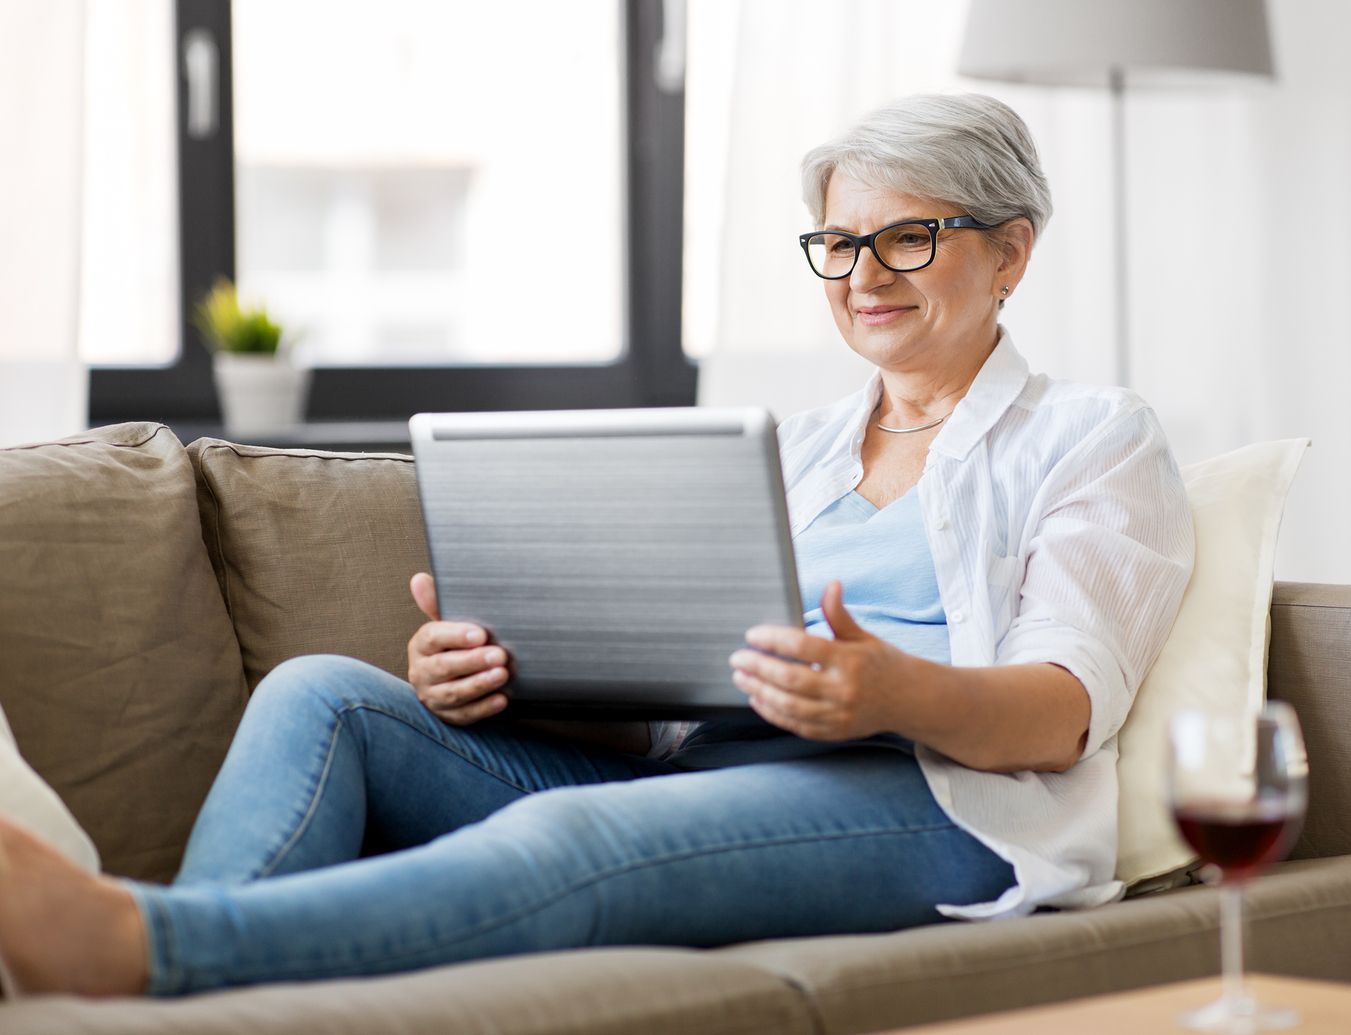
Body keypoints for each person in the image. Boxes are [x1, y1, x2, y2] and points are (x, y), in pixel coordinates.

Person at [0, 93, 1194, 998]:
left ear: (1010, 252)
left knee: (565, 835)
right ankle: (178, 1005)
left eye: (909, 238)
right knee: (331, 695)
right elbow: (675, 694)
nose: (863, 274)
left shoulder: (1091, 435)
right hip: (693, 773)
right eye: (837, 242)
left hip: (939, 803)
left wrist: (889, 686)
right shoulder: (791, 448)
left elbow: (1063, 708)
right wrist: (508, 669)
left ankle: (140, 945)